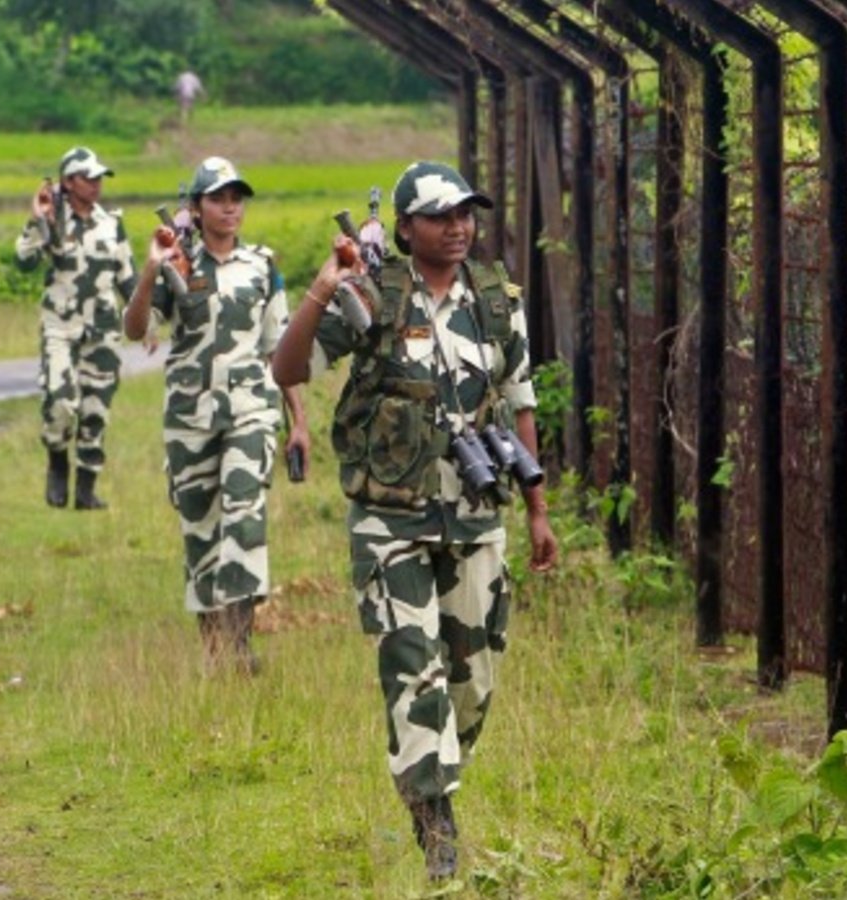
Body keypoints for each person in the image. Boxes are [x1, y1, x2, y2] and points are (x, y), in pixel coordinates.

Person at [270, 161, 559, 881]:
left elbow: (521, 401)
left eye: (466, 213)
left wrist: (537, 509)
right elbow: (287, 368)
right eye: (440, 216)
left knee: (474, 681)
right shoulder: (372, 294)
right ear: (404, 228)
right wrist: (322, 291)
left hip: (474, 516)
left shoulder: (497, 300)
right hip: (389, 520)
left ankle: (431, 775)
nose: (458, 226)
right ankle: (436, 826)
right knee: (413, 670)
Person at [123, 156, 309, 673]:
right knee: (200, 526)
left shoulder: (263, 266)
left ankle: (241, 640)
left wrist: (298, 422)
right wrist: (149, 270)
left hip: (251, 408)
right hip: (190, 415)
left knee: (245, 515)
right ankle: (213, 646)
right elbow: (137, 328)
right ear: (197, 207)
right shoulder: (177, 267)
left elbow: (280, 347)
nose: (230, 207)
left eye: (236, 198)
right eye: (218, 198)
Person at [15, 147, 140, 510]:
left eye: (100, 178)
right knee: (60, 401)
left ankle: (86, 490)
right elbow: (23, 262)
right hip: (60, 327)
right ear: (69, 182)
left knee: (96, 410)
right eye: (89, 178)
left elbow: (127, 277)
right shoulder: (51, 218)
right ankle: (56, 461)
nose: (97, 184)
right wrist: (39, 220)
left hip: (103, 329)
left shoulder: (111, 223)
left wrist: (144, 322)